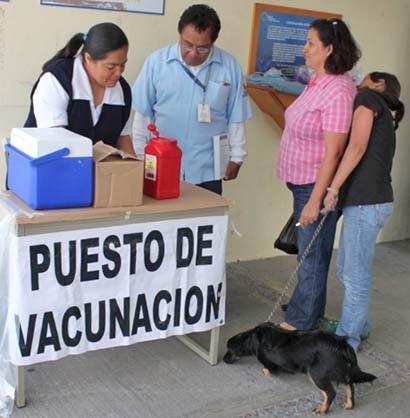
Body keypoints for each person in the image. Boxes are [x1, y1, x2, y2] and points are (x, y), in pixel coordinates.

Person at [277, 18, 361, 331]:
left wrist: (316, 200)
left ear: (328, 49)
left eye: (311, 43)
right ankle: (308, 306)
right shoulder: (318, 82)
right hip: (303, 182)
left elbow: (334, 152)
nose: (305, 48)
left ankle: (301, 323)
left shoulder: (338, 90)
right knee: (309, 249)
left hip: (316, 185)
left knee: (311, 254)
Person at [131, 4, 252, 194]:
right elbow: (142, 115)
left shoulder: (229, 66)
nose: (193, 53)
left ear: (213, 42)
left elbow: (236, 117)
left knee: (204, 222)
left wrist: (237, 156)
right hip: (162, 164)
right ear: (179, 34)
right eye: (187, 44)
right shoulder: (156, 62)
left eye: (202, 48)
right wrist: (139, 158)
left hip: (208, 169)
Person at [323, 72, 405, 351]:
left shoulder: (368, 98)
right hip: (372, 202)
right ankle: (359, 325)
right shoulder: (383, 112)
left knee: (354, 272)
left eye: (366, 77)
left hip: (367, 204)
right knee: (348, 267)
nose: (358, 82)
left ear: (379, 83)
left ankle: (348, 340)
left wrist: (333, 188)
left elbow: (356, 147)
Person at [24, 22, 135, 155]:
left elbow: (123, 140)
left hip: (93, 173)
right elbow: (54, 144)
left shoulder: (122, 89)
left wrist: (134, 171)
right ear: (88, 58)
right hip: (44, 168)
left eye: (123, 65)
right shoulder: (58, 79)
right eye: (111, 67)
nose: (118, 73)